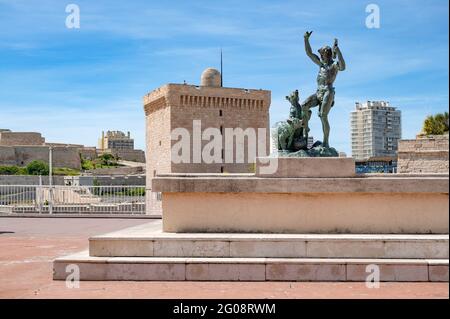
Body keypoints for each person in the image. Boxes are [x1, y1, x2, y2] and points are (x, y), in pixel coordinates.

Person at [301, 31, 346, 148]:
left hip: (328, 92)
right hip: (318, 92)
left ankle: (326, 143)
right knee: (304, 106)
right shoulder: (321, 64)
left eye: (322, 54)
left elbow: (343, 67)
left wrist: (338, 51)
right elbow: (309, 53)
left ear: (329, 54)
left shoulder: (334, 65)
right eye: (320, 55)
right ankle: (304, 133)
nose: (321, 56)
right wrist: (306, 39)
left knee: (323, 115)